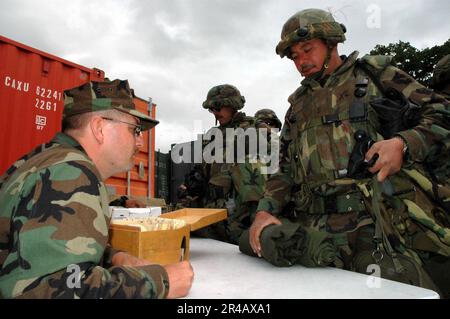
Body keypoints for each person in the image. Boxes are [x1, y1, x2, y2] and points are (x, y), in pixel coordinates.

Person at [249, 8, 450, 296]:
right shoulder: (297, 107)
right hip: (316, 234)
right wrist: (263, 212)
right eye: (294, 56)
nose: (301, 61)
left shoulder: (375, 75)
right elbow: (284, 171)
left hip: (378, 227)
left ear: (332, 42)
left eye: (307, 49)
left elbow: (443, 112)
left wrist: (403, 144)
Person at [0, 79, 194, 299]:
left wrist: (115, 257)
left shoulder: (48, 159)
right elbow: (51, 290)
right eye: (135, 130)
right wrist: (161, 282)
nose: (140, 142)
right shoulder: (72, 172)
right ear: (99, 128)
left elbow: (36, 250)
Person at [180, 84, 266, 244]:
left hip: (242, 219)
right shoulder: (211, 137)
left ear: (232, 105)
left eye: (218, 107)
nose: (214, 112)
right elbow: (201, 171)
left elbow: (275, 167)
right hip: (213, 218)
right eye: (211, 109)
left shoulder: (254, 129)